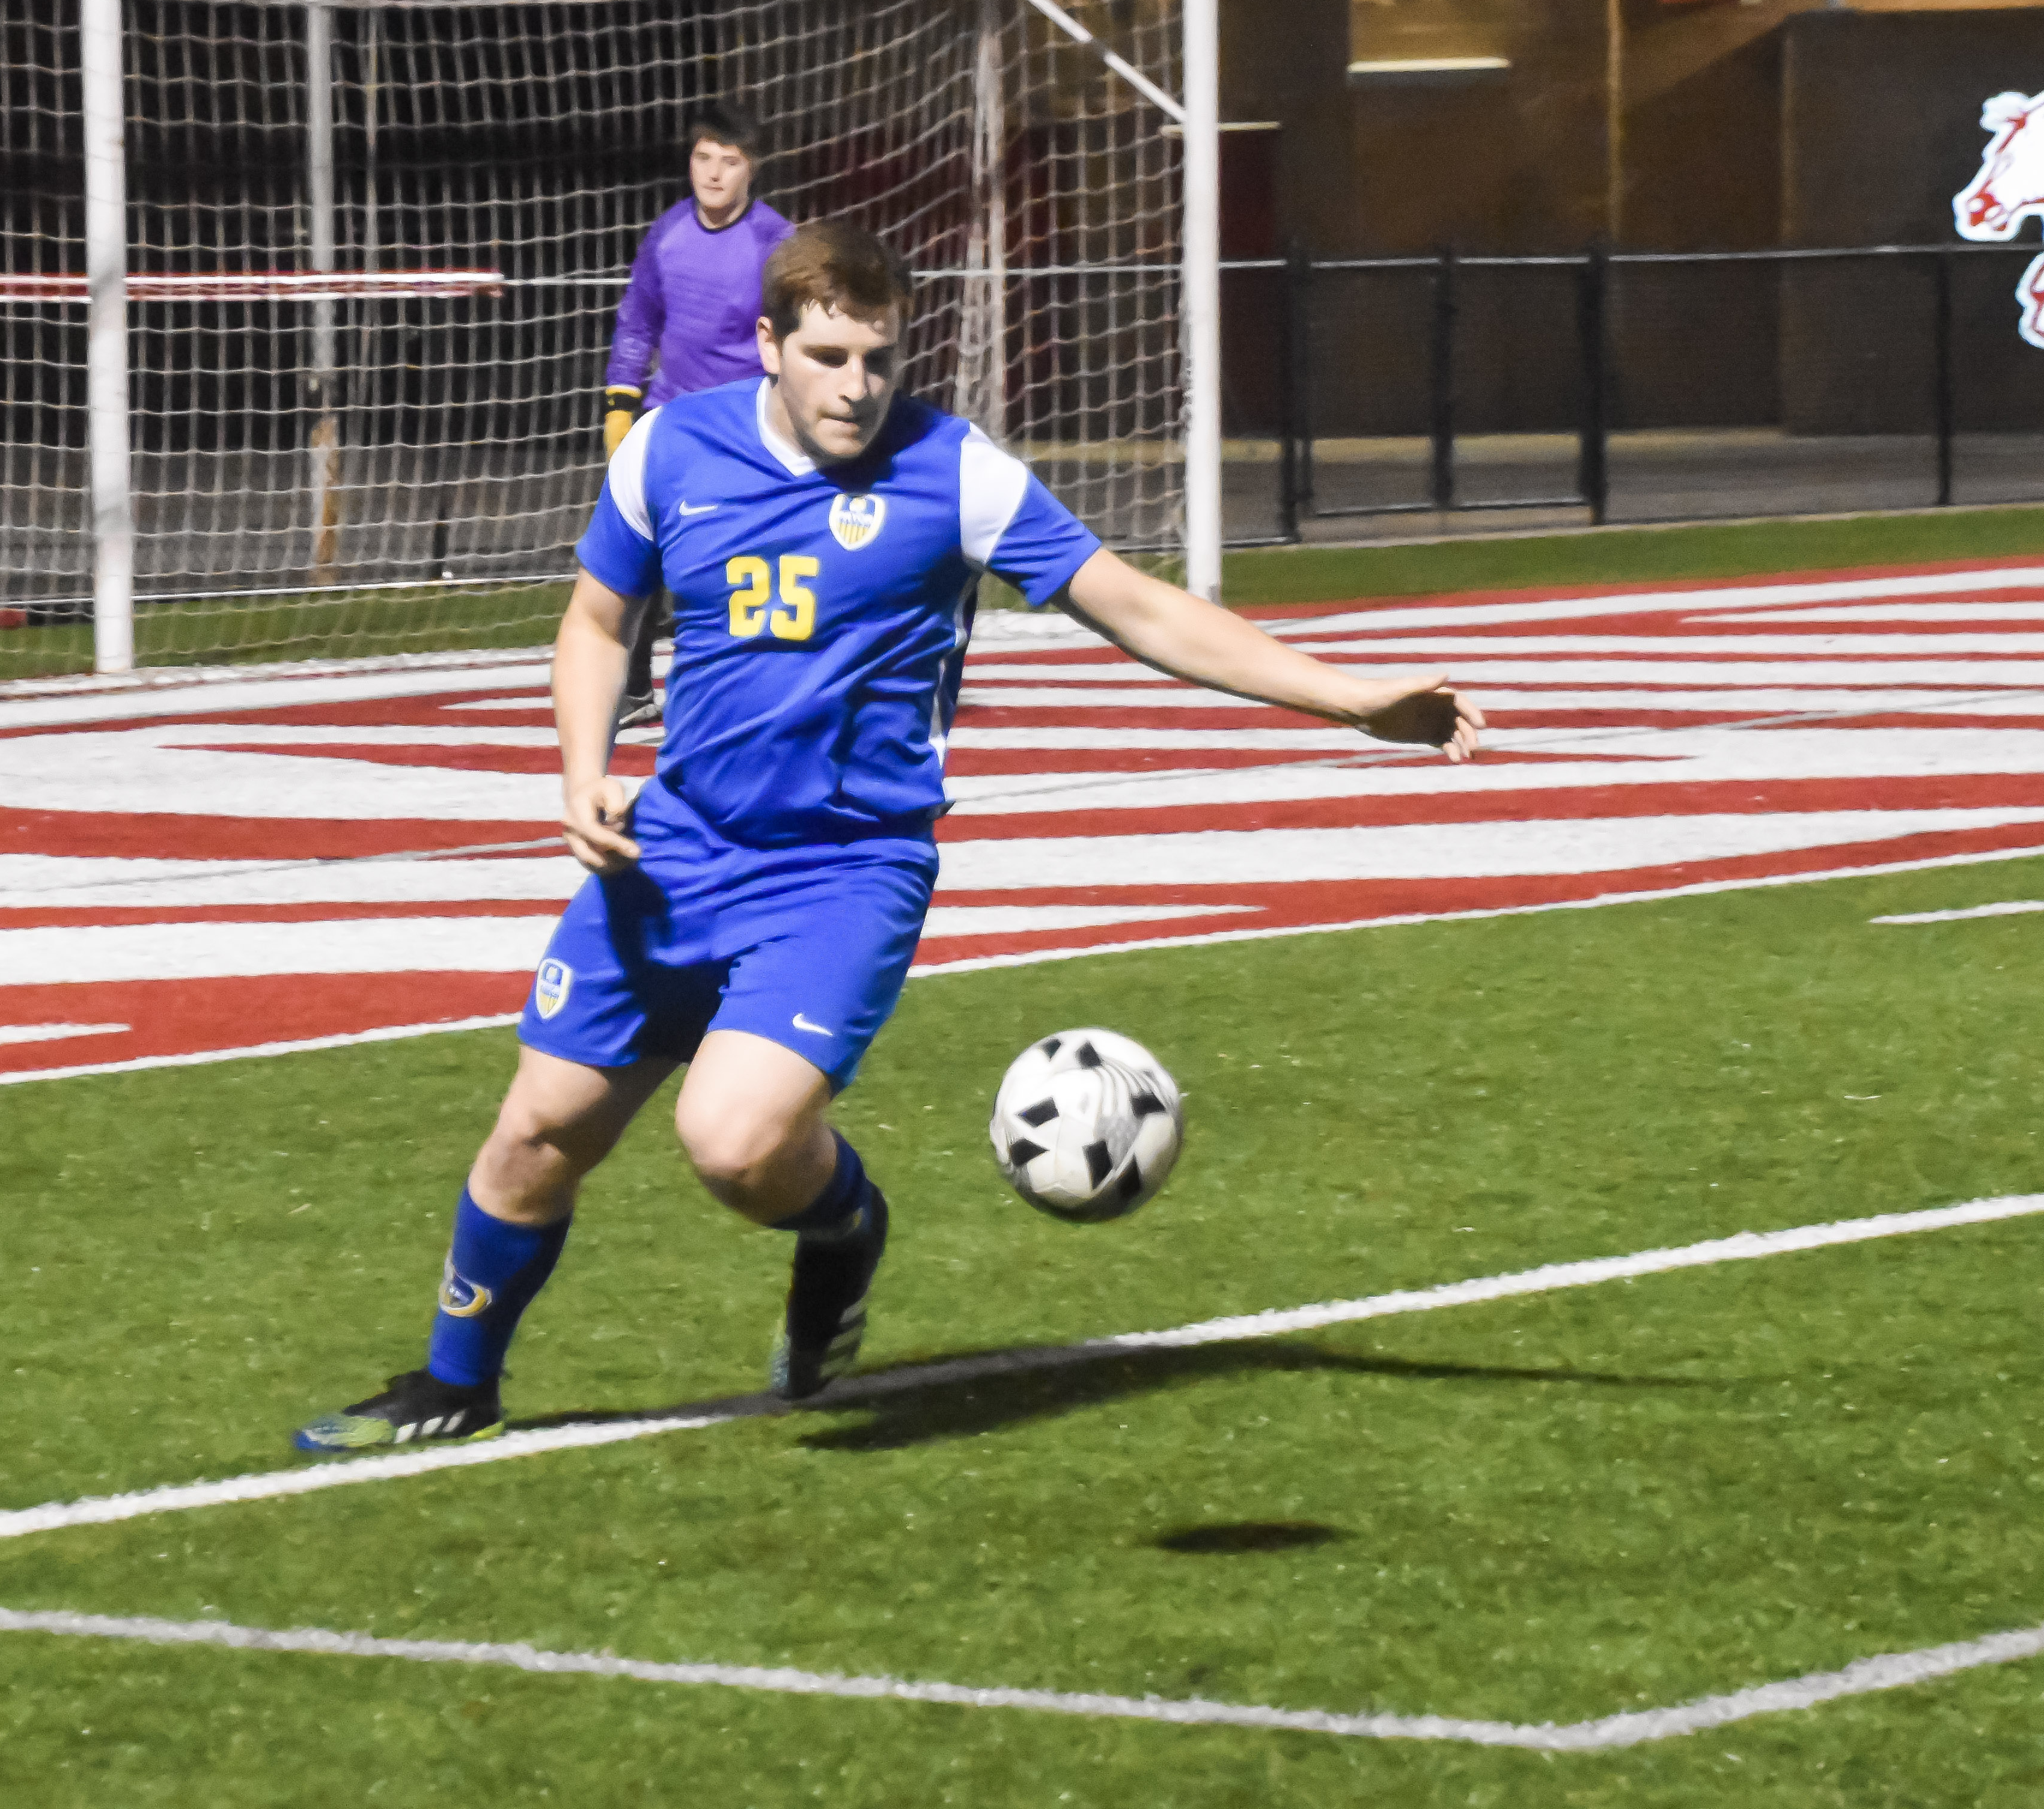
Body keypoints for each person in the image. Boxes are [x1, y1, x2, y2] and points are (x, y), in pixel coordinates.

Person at [294, 219, 1484, 1453]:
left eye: (878, 357)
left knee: (736, 1143)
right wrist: (584, 772)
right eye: (826, 355)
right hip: (675, 853)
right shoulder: (671, 450)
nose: (856, 386)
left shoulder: (955, 473)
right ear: (766, 345)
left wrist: (1355, 699)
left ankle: (843, 1225)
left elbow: (1138, 608)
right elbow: (599, 622)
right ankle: (453, 1386)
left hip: (843, 872)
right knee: (535, 1132)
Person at [601, 103, 793, 722]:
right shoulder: (668, 233)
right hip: (669, 419)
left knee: (728, 561)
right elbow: (638, 317)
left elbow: (796, 333)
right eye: (702, 158)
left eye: (729, 162)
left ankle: (725, 687)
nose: (712, 173)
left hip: (745, 425)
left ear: (752, 169)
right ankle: (632, 690)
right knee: (638, 550)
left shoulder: (776, 242)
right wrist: (620, 399)